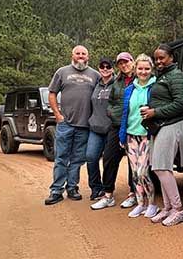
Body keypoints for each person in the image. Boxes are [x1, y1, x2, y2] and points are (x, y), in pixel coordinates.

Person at [141, 44, 183, 226]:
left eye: (162, 57)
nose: (158, 61)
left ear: (171, 57)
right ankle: (168, 207)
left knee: (162, 167)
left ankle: (179, 209)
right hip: (162, 125)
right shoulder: (164, 76)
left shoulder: (176, 76)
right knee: (159, 167)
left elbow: (181, 103)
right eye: (156, 58)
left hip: (173, 124)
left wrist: (155, 112)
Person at [45, 45, 100, 205]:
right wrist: (57, 115)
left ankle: (72, 188)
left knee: (77, 159)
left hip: (85, 125)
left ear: (88, 57)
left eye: (84, 53)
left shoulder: (95, 75)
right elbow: (52, 93)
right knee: (61, 157)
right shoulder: (62, 72)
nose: (81, 56)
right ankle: (56, 191)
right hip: (65, 123)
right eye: (78, 53)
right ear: (72, 55)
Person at [91, 52, 137, 210]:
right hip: (116, 125)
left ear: (132, 61)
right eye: (121, 63)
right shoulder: (117, 81)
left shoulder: (140, 78)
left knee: (133, 161)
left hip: (134, 126)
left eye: (127, 62)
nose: (124, 65)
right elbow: (111, 102)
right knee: (109, 158)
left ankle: (133, 194)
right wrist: (112, 113)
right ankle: (108, 194)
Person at [118, 54, 158, 218]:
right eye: (140, 68)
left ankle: (152, 204)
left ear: (151, 70)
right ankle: (140, 204)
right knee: (135, 174)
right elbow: (125, 114)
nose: (143, 72)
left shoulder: (155, 88)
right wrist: (122, 136)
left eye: (147, 68)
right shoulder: (130, 89)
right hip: (130, 135)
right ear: (135, 69)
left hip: (146, 135)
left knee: (143, 172)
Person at [85, 57, 115, 201]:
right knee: (91, 157)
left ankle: (108, 189)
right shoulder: (94, 85)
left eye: (108, 66)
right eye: (102, 66)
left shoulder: (117, 84)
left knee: (109, 161)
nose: (105, 69)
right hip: (95, 128)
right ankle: (96, 188)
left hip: (110, 128)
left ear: (113, 68)